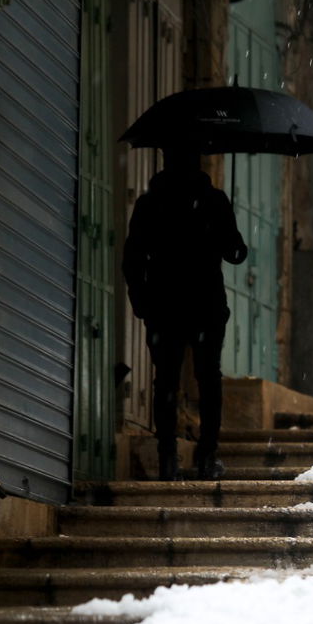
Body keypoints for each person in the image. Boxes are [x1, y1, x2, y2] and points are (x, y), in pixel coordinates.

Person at [123, 146, 248, 481]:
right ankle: (207, 456)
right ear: (198, 162)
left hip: (164, 306)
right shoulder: (214, 201)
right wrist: (229, 238)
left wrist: (141, 300)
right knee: (208, 379)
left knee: (165, 380)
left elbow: (132, 259)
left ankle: (167, 457)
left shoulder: (150, 204)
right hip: (205, 306)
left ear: (166, 161)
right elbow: (235, 252)